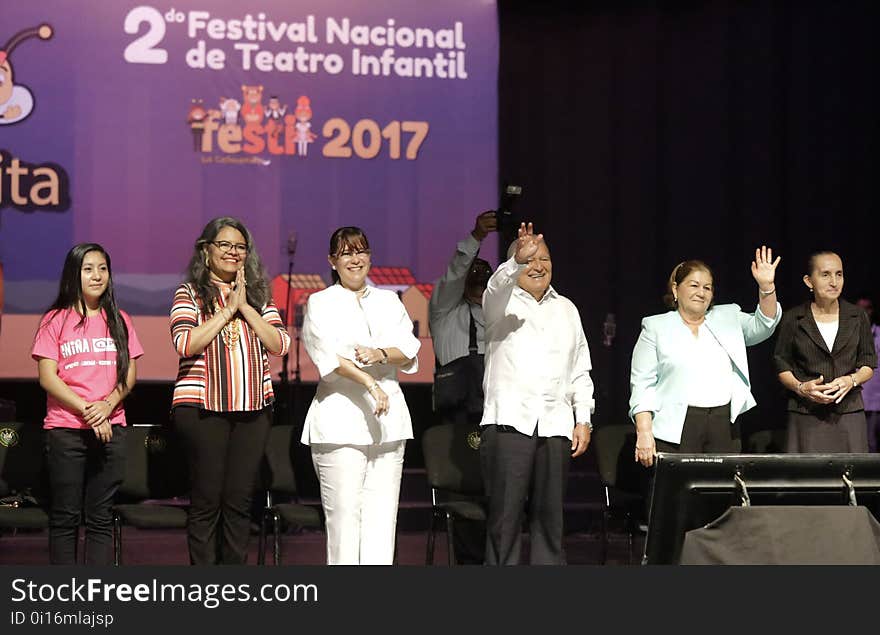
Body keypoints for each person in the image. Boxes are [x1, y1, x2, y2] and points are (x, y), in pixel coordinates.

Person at [170, 217, 290, 565]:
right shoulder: (189, 293)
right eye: (224, 245)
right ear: (206, 250)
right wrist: (226, 311)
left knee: (239, 502)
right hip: (202, 409)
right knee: (207, 500)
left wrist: (246, 308)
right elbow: (186, 343)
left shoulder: (259, 296)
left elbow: (280, 343)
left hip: (253, 409)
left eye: (239, 246)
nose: (232, 252)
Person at [301, 226, 421, 565]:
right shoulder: (320, 302)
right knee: (344, 523)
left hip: (389, 424)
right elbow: (327, 357)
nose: (355, 259)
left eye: (361, 251)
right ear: (332, 261)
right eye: (346, 253)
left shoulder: (387, 300)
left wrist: (380, 353)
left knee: (382, 523)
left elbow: (409, 351)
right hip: (340, 421)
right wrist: (369, 382)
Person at [479, 222, 594, 565]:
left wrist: (583, 417)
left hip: (556, 426)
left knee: (550, 523)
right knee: (505, 524)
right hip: (509, 424)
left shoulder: (567, 309)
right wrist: (516, 261)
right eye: (530, 259)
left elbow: (580, 368)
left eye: (544, 258)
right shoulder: (499, 304)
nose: (538, 265)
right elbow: (495, 287)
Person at [31, 243, 143, 564]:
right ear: (73, 274)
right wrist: (90, 410)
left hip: (112, 430)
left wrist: (107, 405)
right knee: (65, 517)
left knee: (100, 518)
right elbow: (48, 378)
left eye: (103, 268)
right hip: (66, 431)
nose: (97, 276)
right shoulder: (55, 320)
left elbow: (129, 375)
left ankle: (96, 594)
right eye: (88, 268)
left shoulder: (120, 319)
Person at [630, 247, 782, 467]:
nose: (701, 293)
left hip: (723, 425)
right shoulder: (655, 327)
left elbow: (765, 325)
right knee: (678, 497)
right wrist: (644, 432)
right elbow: (642, 385)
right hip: (676, 427)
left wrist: (766, 286)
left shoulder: (728, 317)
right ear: (675, 289)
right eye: (693, 285)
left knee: (720, 495)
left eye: (707, 288)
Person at [427, 211, 495, 564]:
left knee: (493, 486)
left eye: (485, 277)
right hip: (455, 411)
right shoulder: (443, 310)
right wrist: (475, 237)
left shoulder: (499, 317)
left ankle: (493, 558)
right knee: (459, 484)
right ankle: (466, 560)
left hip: (493, 408)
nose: (477, 281)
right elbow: (454, 273)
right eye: (474, 275)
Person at [773, 252, 876, 453]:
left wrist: (851, 380)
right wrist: (801, 387)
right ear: (809, 281)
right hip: (805, 414)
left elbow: (868, 362)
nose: (834, 281)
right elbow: (781, 363)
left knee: (851, 476)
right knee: (807, 479)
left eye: (839, 274)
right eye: (826, 274)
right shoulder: (794, 318)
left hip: (849, 414)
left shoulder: (857, 316)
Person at [856, 296, 880, 452]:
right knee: (856, 442)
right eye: (860, 309)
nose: (864, 312)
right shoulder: (847, 332)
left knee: (871, 441)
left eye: (868, 308)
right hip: (854, 397)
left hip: (876, 398)